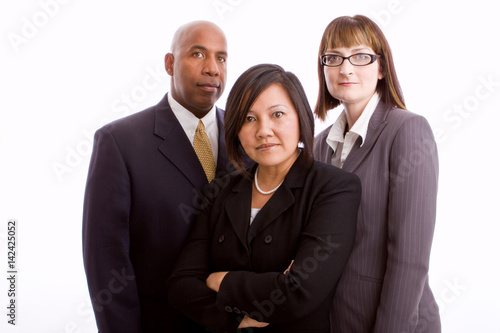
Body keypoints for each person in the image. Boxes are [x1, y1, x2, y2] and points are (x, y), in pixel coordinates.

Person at [167, 64, 361, 332]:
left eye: (277, 114)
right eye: (249, 118)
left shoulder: (334, 188)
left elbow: (298, 293)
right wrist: (235, 321)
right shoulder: (222, 189)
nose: (263, 130)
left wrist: (221, 280)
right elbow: (181, 285)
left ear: (301, 117)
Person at [82, 20, 229, 332]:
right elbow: (106, 262)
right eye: (198, 54)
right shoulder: (120, 142)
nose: (213, 69)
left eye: (221, 58)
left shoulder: (249, 137)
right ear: (169, 63)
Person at [313, 15, 441, 332]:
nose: (345, 68)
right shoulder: (320, 145)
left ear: (381, 68)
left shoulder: (407, 131)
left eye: (360, 56)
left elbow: (410, 260)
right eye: (334, 57)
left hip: (393, 322)